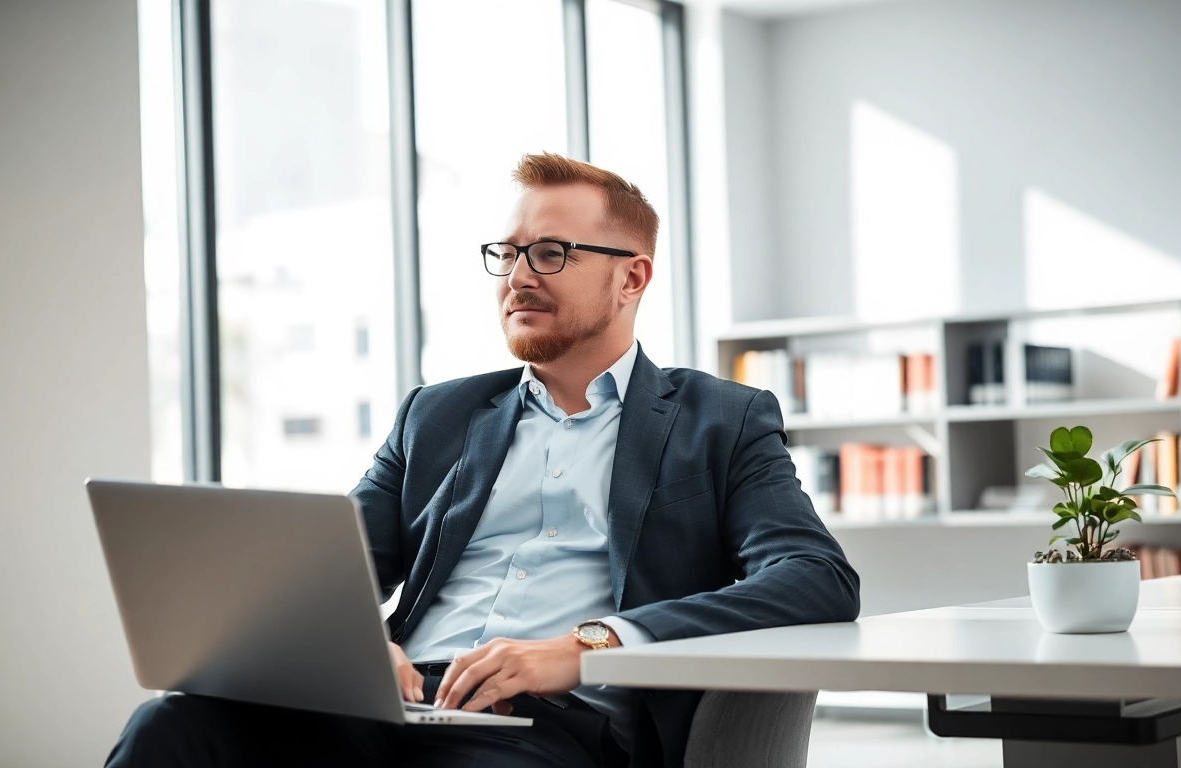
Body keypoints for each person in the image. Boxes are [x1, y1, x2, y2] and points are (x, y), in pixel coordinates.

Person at [105, 153, 860, 768]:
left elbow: (816, 576)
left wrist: (585, 648)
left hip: (553, 725)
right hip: (390, 706)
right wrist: (364, 649)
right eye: (508, 253)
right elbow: (330, 576)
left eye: (552, 252)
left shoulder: (720, 421)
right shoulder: (436, 415)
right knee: (170, 729)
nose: (518, 275)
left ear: (631, 277)